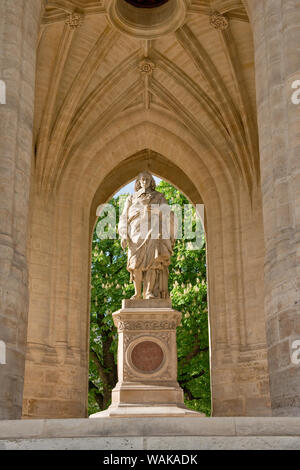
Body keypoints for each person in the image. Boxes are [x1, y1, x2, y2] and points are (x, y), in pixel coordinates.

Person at [119, 171, 176, 299]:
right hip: (135, 232)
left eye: (147, 179)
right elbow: (123, 216)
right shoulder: (131, 198)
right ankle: (137, 293)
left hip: (153, 230)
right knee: (135, 263)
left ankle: (149, 292)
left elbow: (168, 213)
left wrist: (157, 210)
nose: (145, 181)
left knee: (153, 263)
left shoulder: (159, 196)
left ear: (151, 181)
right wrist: (123, 234)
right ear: (138, 182)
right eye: (142, 179)